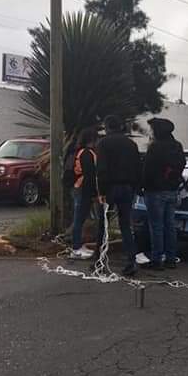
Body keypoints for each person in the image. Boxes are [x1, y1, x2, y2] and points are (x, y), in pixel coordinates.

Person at [95, 115, 140, 276]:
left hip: (110, 186)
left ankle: (98, 260)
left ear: (107, 127)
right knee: (125, 225)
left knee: (103, 224)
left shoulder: (103, 144)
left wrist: (101, 191)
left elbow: (101, 169)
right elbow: (137, 166)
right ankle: (131, 261)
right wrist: (135, 187)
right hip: (127, 187)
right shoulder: (131, 144)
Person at [142, 118, 186, 271]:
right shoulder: (177, 146)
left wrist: (142, 186)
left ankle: (156, 259)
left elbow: (147, 170)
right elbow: (182, 165)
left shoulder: (155, 147)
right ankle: (171, 258)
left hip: (155, 191)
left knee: (156, 227)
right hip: (172, 190)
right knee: (170, 225)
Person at [69, 127, 100, 260]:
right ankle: (76, 248)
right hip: (83, 189)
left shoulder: (82, 152)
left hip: (80, 188)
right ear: (91, 139)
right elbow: (89, 175)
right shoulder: (87, 153)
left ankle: (78, 245)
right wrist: (93, 193)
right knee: (79, 218)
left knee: (80, 218)